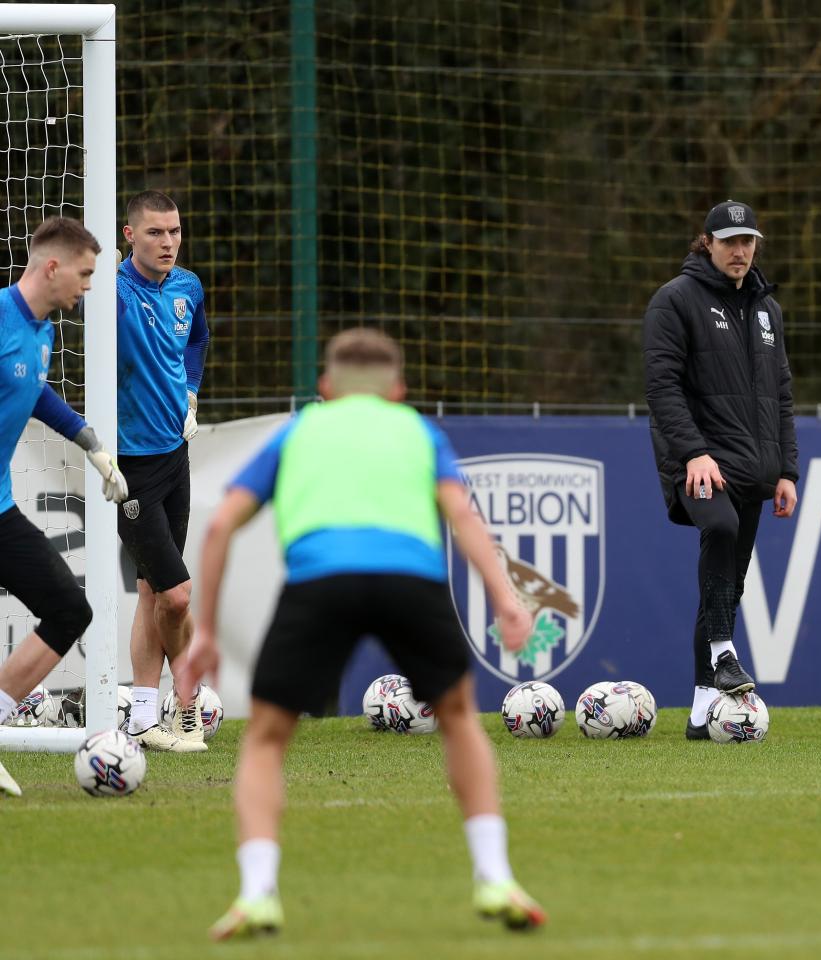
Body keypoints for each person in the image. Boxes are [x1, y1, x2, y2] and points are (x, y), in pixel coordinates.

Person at [174, 329, 546, 939]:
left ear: (324, 388)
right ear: (399, 390)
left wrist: (207, 631)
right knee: (457, 718)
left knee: (266, 739)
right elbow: (464, 518)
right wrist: (506, 600)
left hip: (321, 582)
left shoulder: (300, 431)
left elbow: (219, 529)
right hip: (411, 580)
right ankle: (495, 875)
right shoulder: (419, 432)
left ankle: (258, 893)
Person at [643, 199, 799, 740]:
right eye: (729, 240)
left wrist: (787, 470)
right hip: (698, 460)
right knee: (721, 527)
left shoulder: (766, 309)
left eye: (748, 240)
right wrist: (692, 452)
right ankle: (724, 650)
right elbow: (661, 386)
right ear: (705, 242)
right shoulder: (674, 301)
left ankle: (700, 710)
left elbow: (781, 394)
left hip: (755, 464)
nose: (740, 250)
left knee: (726, 586)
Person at [0, 218, 129, 797]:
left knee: (69, 610)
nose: (91, 286)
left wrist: (91, 444)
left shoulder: (43, 330)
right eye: (86, 273)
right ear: (52, 267)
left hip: (0, 510)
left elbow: (32, 392)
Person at [116, 190, 210, 752]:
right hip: (129, 468)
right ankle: (189, 704)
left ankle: (144, 720)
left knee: (154, 592)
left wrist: (192, 395)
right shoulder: (113, 294)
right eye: (155, 232)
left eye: (174, 231)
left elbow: (197, 341)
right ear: (130, 235)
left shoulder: (188, 287)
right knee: (176, 595)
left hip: (176, 457)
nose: (168, 242)